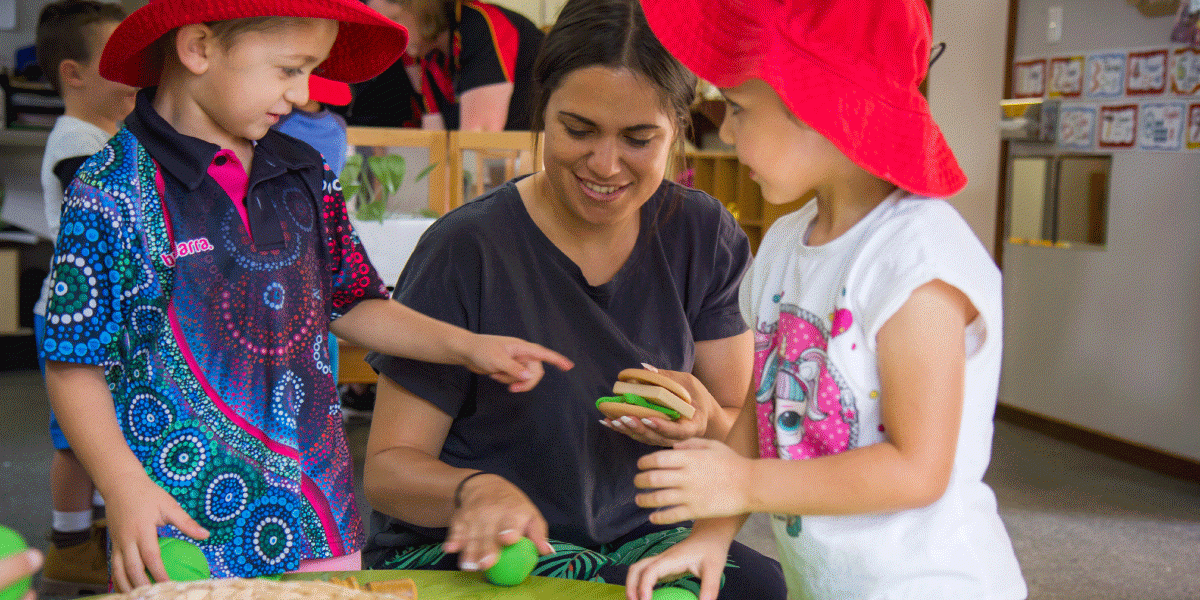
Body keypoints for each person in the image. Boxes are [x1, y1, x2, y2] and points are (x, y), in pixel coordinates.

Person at [40, 0, 572, 592]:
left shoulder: (305, 173)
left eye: (311, 72)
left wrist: (468, 347)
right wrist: (122, 487)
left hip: (317, 517)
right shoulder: (108, 191)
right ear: (198, 49)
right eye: (290, 69)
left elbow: (353, 301)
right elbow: (73, 365)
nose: (300, 94)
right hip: (177, 524)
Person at [361, 1, 785, 598]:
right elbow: (388, 468)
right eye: (578, 131)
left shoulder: (701, 235)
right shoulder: (465, 248)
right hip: (487, 546)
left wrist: (705, 421)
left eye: (639, 139)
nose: (605, 165)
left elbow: (740, 424)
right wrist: (473, 492)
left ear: (677, 129)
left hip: (637, 540)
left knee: (759, 587)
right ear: (542, 111)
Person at [625, 1, 1029, 599]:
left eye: (738, 108)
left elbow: (917, 470)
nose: (726, 131)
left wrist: (744, 483)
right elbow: (762, 408)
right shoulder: (785, 244)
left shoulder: (915, 259)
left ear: (820, 107)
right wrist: (713, 533)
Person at [32, 1, 136, 595]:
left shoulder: (107, 135)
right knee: (76, 439)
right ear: (74, 74)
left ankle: (96, 532)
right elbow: (107, 207)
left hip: (104, 314)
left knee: (103, 433)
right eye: (120, 65)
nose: (136, 78)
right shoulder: (76, 141)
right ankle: (69, 545)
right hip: (73, 317)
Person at [365, 0, 544, 131]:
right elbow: (434, 141)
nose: (388, 36)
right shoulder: (427, 54)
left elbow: (480, 136)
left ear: (420, 6)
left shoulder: (480, 25)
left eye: (394, 19)